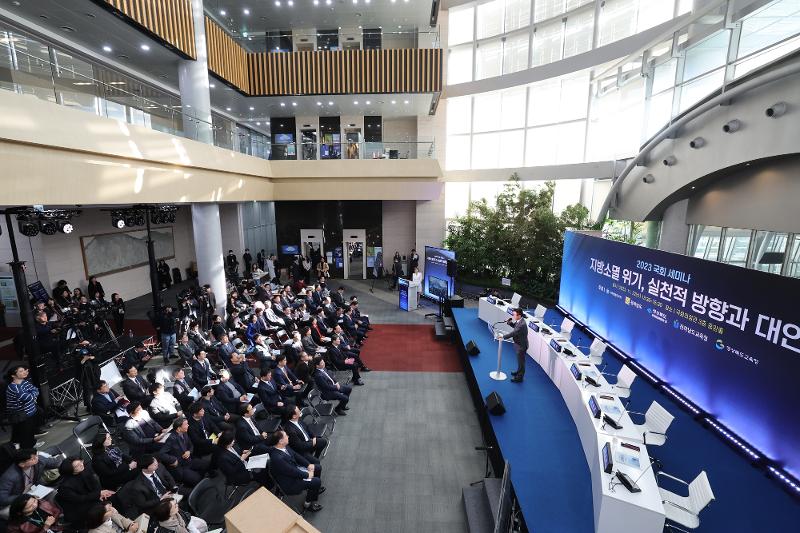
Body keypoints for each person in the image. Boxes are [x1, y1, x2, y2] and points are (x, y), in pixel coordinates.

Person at [265, 431, 323, 512]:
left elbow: (295, 455)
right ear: (280, 441)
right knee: (317, 481)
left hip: (294, 471)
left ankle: (314, 490)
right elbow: (292, 471)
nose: (288, 436)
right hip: (290, 483)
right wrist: (307, 475)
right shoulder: (277, 458)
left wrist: (308, 465)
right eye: (286, 436)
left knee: (318, 467)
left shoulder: (284, 446)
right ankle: (308, 504)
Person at [55, 456, 115, 527]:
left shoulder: (84, 470)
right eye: (77, 465)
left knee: (111, 496)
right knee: (102, 508)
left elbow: (95, 484)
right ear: (70, 470)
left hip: (89, 497)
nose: (81, 464)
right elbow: (79, 499)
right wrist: (97, 495)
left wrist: (100, 494)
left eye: (81, 461)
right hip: (78, 507)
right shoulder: (65, 487)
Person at [5, 365, 45, 449]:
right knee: (25, 433)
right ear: (13, 375)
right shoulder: (13, 387)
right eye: (20, 371)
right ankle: (27, 449)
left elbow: (35, 389)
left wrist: (32, 395)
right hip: (21, 414)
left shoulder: (24, 382)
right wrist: (33, 396)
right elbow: (26, 398)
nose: (24, 372)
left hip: (30, 410)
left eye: (24, 370)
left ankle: (31, 444)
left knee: (30, 431)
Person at [162, 418, 209, 487]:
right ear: (179, 428)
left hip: (189, 461)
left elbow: (191, 445)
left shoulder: (184, 433)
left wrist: (189, 451)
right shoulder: (171, 439)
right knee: (197, 479)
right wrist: (173, 460)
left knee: (206, 464)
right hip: (180, 466)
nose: (188, 425)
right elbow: (161, 454)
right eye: (186, 424)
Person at [498, 307, 529, 383]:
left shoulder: (522, 324)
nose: (513, 316)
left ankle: (519, 377)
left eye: (514, 315)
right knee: (519, 361)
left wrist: (503, 337)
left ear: (519, 315)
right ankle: (518, 372)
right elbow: (515, 326)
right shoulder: (519, 321)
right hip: (518, 344)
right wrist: (509, 322)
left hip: (521, 346)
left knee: (521, 362)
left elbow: (514, 333)